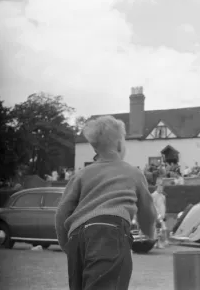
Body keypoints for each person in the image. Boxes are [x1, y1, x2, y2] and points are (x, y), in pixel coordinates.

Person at [55, 115, 157, 290]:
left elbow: (62, 212)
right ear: (119, 145)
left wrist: (67, 245)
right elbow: (147, 211)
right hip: (109, 232)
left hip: (76, 236)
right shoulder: (133, 173)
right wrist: (149, 232)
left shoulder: (81, 174)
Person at [151, 178, 169, 248]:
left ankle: (162, 242)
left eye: (162, 187)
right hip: (156, 215)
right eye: (160, 187)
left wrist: (165, 214)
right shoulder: (153, 195)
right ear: (157, 187)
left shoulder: (163, 196)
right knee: (157, 229)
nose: (161, 188)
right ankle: (157, 243)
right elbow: (153, 205)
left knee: (163, 229)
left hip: (162, 215)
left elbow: (164, 205)